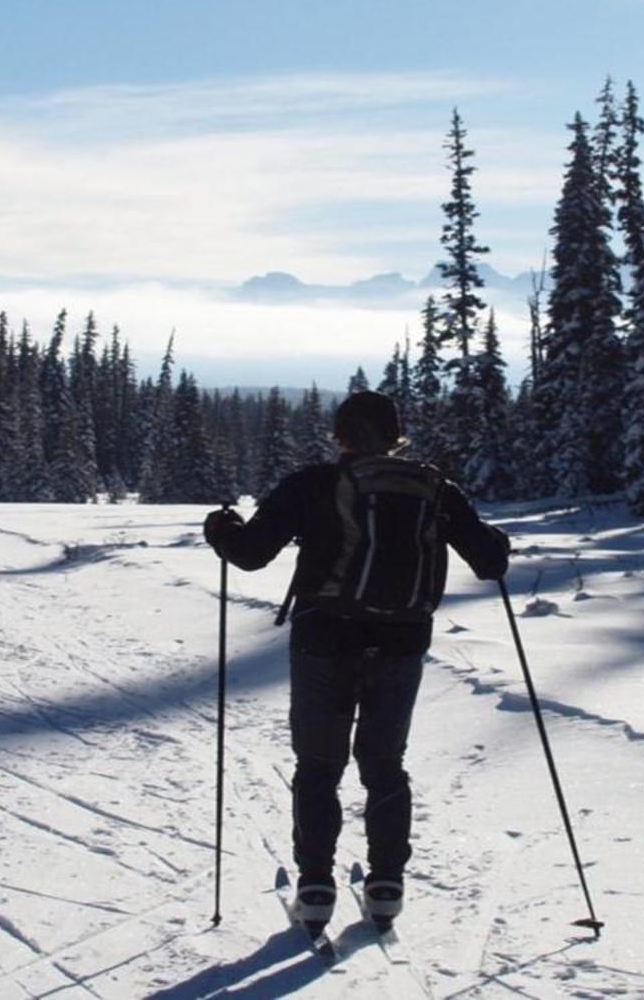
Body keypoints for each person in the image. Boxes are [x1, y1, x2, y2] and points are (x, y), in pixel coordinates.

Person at [203, 390, 510, 934]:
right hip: (401, 640)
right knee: (384, 762)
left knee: (319, 765)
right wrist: (497, 542)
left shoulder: (313, 483)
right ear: (396, 436)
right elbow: (489, 564)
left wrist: (221, 530)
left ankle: (316, 886)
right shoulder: (435, 488)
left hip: (323, 637)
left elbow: (250, 555)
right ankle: (386, 885)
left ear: (339, 435)